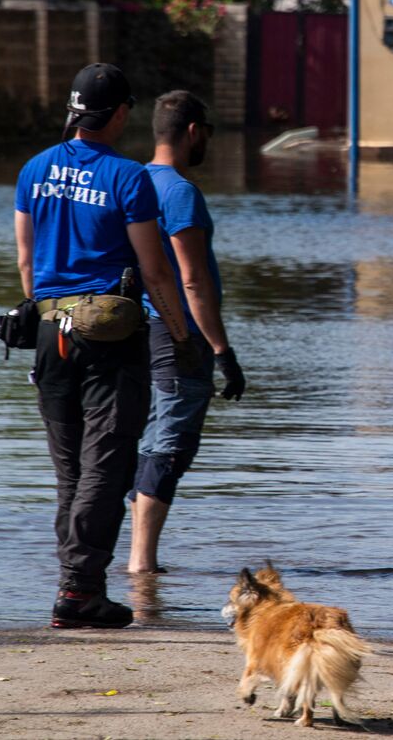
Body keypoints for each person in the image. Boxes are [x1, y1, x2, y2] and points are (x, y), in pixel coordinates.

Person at [15, 63, 201, 628]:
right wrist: (181, 334)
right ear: (120, 114)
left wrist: (51, 310)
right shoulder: (128, 177)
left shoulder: (34, 168)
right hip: (110, 340)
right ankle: (79, 592)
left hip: (50, 333)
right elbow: (155, 271)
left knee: (71, 469)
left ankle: (76, 586)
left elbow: (26, 262)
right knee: (106, 465)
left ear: (74, 112)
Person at [127, 90, 245, 575]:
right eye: (208, 135)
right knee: (171, 444)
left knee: (152, 438)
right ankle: (142, 563)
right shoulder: (179, 191)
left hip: (140, 331)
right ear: (194, 131)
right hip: (177, 335)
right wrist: (222, 351)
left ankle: (139, 562)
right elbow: (192, 280)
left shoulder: (130, 180)